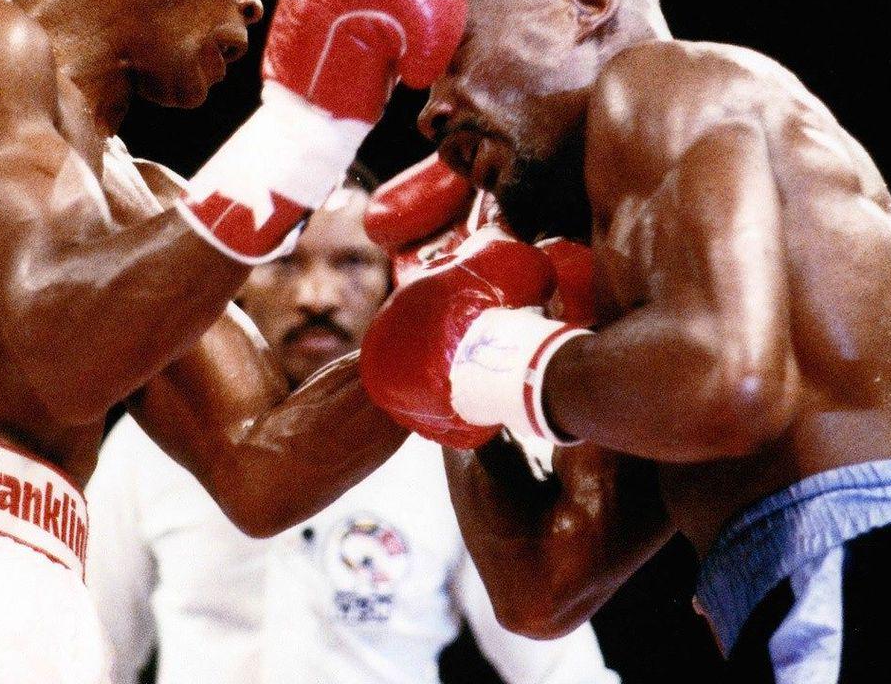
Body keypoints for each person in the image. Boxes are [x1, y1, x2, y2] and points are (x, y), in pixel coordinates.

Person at [0, 0, 466, 683]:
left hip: (43, 610)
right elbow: (64, 340)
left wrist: (457, 306)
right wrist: (308, 133)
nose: (254, 1)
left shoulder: (156, 206)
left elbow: (261, 469)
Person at [360, 0, 891, 682]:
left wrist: (492, 357)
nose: (429, 116)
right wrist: (455, 375)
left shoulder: (659, 81)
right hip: (808, 580)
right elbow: (543, 587)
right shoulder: (640, 293)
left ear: (586, 2)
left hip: (861, 550)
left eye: (455, 57)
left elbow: (730, 385)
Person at [86, 172, 618, 684]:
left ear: (397, 279)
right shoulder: (151, 445)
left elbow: (561, 671)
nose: (317, 296)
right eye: (285, 262)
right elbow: (91, 653)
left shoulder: (454, 450)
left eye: (352, 263)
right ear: (236, 282)